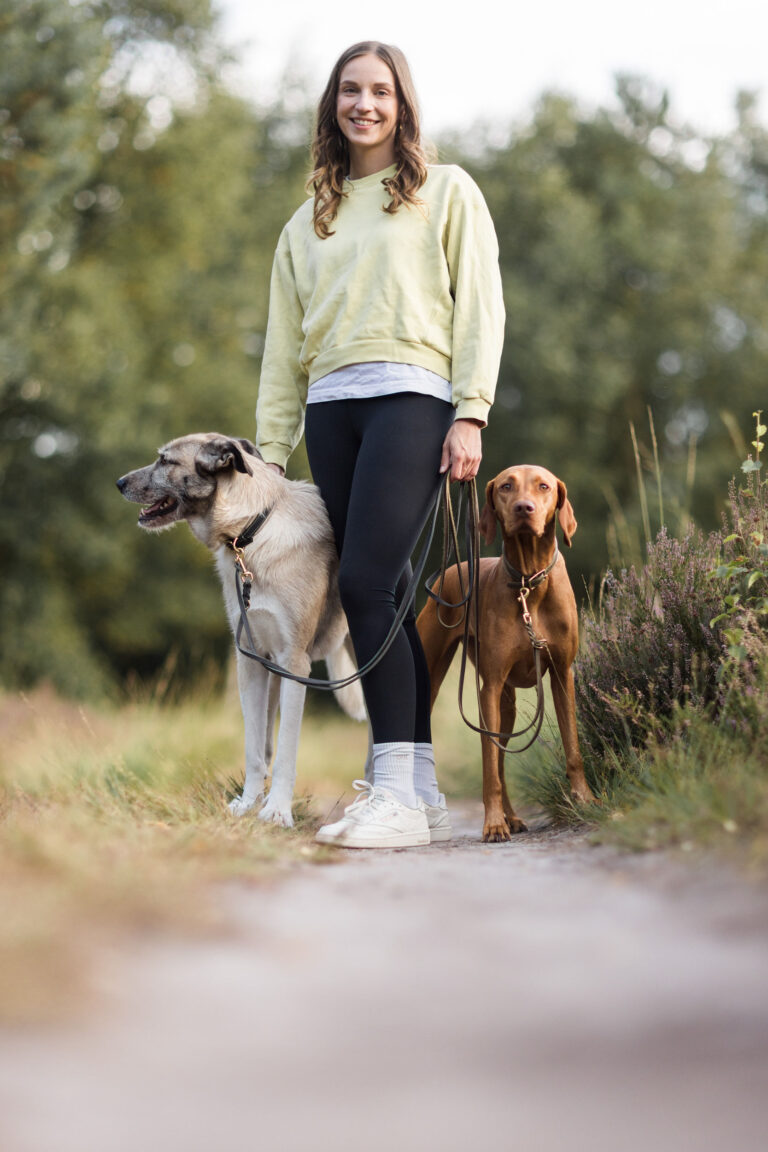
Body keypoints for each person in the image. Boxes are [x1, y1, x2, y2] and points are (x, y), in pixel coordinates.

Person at [255, 41, 505, 848]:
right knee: (389, 589)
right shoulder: (307, 221)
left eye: (381, 91)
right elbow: (282, 345)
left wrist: (469, 412)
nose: (365, 104)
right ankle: (419, 787)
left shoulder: (446, 191)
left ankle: (393, 793)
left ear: (403, 104)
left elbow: (481, 307)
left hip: (413, 397)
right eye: (351, 91)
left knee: (362, 584)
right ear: (333, 104)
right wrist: (267, 453)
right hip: (332, 409)